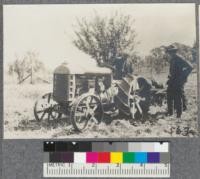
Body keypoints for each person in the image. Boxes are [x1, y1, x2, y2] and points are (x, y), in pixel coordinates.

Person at [165, 45, 193, 118]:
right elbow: (173, 71)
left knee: (178, 97)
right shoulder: (172, 59)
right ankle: (170, 112)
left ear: (175, 51)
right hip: (172, 80)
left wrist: (182, 77)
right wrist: (170, 78)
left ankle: (179, 115)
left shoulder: (179, 58)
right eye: (170, 52)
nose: (170, 53)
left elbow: (190, 67)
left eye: (172, 52)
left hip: (178, 81)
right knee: (169, 95)